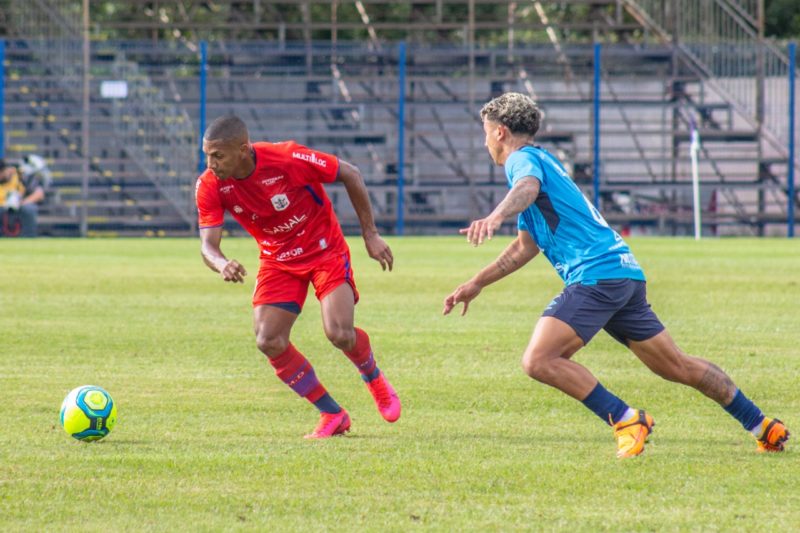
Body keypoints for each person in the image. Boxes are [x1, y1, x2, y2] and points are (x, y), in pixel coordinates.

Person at [442, 92, 789, 458]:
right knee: (676, 365)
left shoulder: (522, 160)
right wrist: (477, 282)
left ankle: (626, 420)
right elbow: (524, 247)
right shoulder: (545, 164)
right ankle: (762, 425)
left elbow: (525, 186)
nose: (485, 142)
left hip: (596, 275)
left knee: (539, 360)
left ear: (500, 132)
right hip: (623, 273)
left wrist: (495, 216)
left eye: (485, 133)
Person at [195, 115, 401, 439]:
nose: (211, 164)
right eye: (207, 155)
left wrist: (370, 234)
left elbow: (350, 173)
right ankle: (332, 414)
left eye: (218, 155)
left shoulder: (287, 158)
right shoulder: (210, 184)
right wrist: (221, 264)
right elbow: (208, 246)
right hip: (277, 259)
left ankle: (372, 376)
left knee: (339, 333)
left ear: (243, 149)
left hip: (324, 250)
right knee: (268, 340)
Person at [0, 156, 46, 238]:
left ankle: (28, 237)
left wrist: (23, 202)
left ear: (5, 170)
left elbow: (39, 194)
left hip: (18, 212)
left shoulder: (20, 176)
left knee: (28, 209)